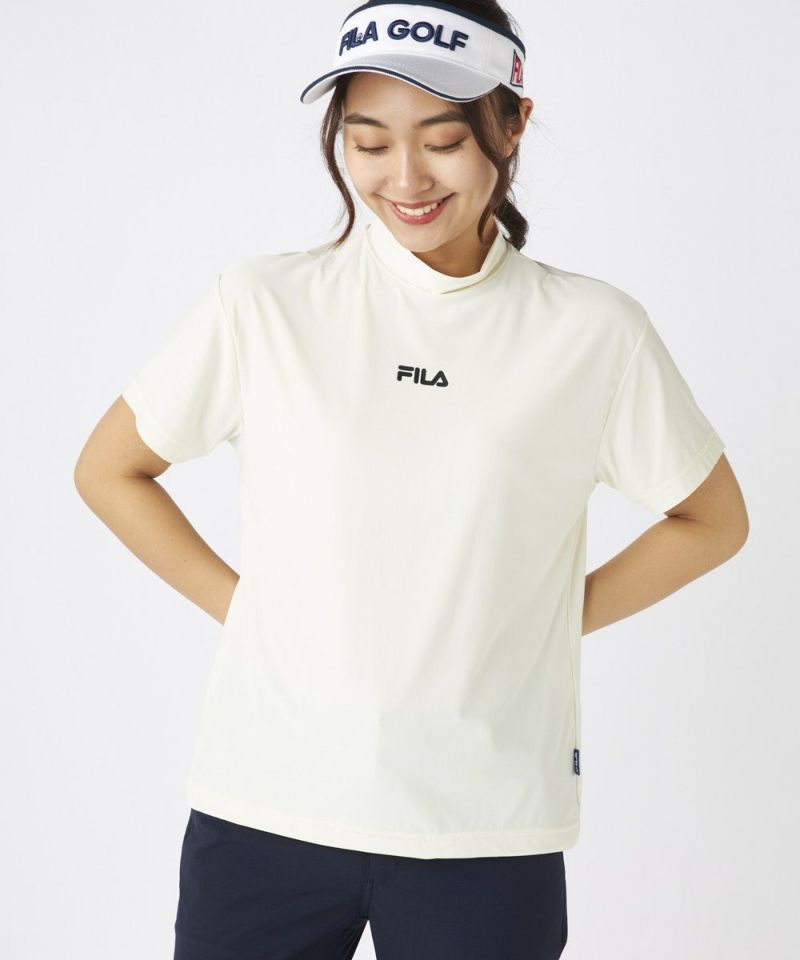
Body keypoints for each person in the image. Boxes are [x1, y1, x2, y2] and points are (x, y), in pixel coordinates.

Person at [73, 1, 750, 958]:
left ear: (512, 125)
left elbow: (713, 519)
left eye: (443, 141)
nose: (405, 178)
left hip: (485, 824)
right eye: (369, 141)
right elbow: (110, 470)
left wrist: (544, 617)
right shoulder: (265, 304)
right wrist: (251, 609)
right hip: (265, 804)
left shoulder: (592, 332)